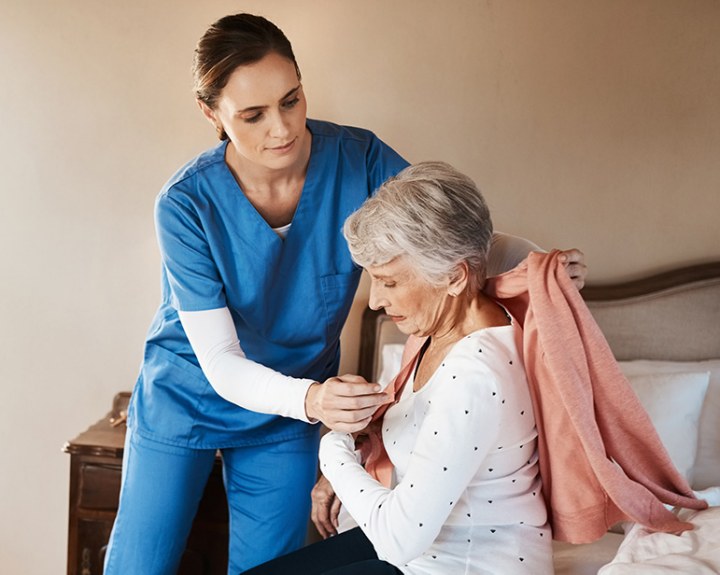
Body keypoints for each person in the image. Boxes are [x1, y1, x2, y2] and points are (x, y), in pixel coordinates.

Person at [103, 13, 587, 575]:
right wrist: (313, 403)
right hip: (190, 396)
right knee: (139, 565)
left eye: (291, 99)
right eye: (253, 115)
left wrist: (537, 265)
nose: (281, 129)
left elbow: (445, 238)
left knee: (267, 567)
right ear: (211, 114)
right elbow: (219, 360)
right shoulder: (186, 204)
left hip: (293, 406)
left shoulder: (359, 159)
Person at [243, 161, 554, 575]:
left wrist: (333, 448)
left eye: (389, 282)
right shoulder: (435, 332)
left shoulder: (477, 374)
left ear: (455, 277)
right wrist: (365, 427)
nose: (374, 302)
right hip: (424, 552)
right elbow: (490, 246)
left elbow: (398, 539)